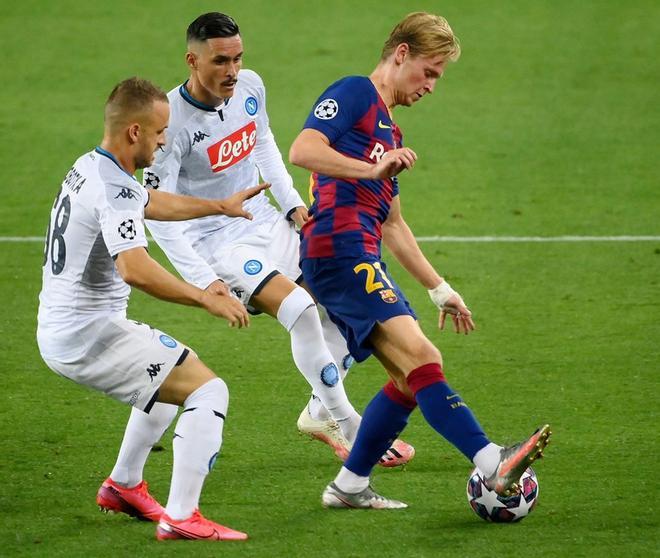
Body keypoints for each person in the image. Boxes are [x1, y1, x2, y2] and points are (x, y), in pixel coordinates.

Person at [289, 12, 551, 509]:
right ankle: (490, 460)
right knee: (425, 360)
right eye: (429, 72)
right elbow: (303, 149)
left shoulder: (391, 130)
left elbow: (392, 224)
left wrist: (440, 288)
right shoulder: (353, 93)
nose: (431, 85)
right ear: (401, 54)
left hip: (362, 252)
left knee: (409, 380)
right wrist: (371, 169)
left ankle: (349, 487)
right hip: (337, 252)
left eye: (439, 77)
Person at [142, 12, 414, 467]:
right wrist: (203, 279)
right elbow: (158, 213)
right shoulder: (172, 125)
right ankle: (349, 424)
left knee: (344, 300)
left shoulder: (250, 86)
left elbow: (263, 141)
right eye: (220, 61)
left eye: (237, 58)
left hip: (267, 221)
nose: (231, 70)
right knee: (302, 311)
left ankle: (318, 410)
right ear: (192, 60)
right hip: (217, 242)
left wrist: (289, 203)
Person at [37, 77, 270, 540]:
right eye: (160, 132)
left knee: (167, 376)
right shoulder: (114, 187)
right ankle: (182, 517)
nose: (164, 141)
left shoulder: (92, 165)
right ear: (134, 133)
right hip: (86, 334)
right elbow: (135, 269)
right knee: (208, 391)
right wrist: (204, 296)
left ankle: (123, 485)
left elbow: (150, 201)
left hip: (67, 326)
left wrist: (217, 206)